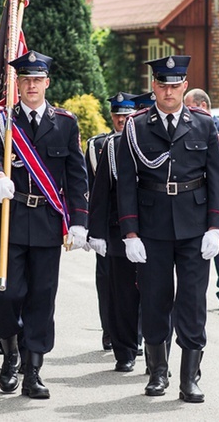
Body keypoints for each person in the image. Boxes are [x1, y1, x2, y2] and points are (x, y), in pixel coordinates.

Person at [0, 51, 88, 398]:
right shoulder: (3, 119)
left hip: (45, 223)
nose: (31, 86)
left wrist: (80, 222)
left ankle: (33, 370)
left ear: (47, 83)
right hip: (10, 219)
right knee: (7, 294)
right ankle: (10, 355)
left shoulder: (66, 123)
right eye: (25, 80)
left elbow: (76, 176)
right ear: (17, 84)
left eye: (37, 80)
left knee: (42, 298)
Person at [116, 55, 219, 403]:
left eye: (175, 85)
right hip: (152, 228)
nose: (168, 91)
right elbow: (127, 184)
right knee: (155, 300)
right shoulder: (136, 126)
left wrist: (215, 227)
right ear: (154, 87)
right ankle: (158, 373)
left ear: (184, 87)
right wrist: (130, 232)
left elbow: (216, 179)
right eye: (162, 85)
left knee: (192, 304)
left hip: (195, 229)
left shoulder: (205, 125)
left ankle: (189, 377)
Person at [86, 93, 142, 373]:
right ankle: (121, 343)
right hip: (114, 228)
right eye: (117, 114)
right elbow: (97, 192)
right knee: (116, 290)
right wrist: (93, 230)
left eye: (127, 114)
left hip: (148, 229)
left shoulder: (148, 142)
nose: (122, 119)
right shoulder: (103, 146)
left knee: (149, 290)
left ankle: (143, 340)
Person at [184, 88, 219, 311]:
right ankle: (193, 292)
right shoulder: (188, 126)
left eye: (189, 106)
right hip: (192, 194)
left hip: (217, 196)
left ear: (202, 106)